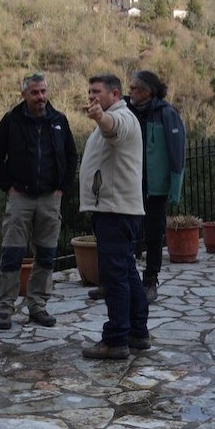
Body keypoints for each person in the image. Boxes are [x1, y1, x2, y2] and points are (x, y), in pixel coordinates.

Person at [0, 72, 77, 330]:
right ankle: (5, 307)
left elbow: (71, 156)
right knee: (12, 254)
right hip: (20, 199)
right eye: (35, 92)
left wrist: (62, 188)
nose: (41, 97)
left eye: (44, 91)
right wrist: (9, 188)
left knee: (46, 255)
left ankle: (37, 305)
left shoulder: (59, 121)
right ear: (24, 94)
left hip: (50, 198)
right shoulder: (11, 121)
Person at [78, 73, 149, 360]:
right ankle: (137, 332)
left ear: (115, 95)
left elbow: (112, 128)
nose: (92, 96)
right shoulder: (118, 115)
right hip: (115, 209)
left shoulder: (121, 117)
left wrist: (99, 118)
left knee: (115, 276)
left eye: (97, 92)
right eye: (90, 92)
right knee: (127, 272)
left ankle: (116, 338)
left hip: (115, 210)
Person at [127, 70, 186, 302]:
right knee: (127, 232)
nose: (130, 91)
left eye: (134, 88)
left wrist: (175, 187)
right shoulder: (127, 112)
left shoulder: (166, 114)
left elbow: (176, 151)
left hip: (155, 188)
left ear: (147, 91)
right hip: (131, 184)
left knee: (153, 234)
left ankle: (150, 280)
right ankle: (121, 279)